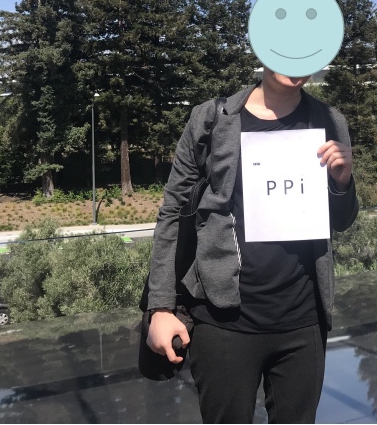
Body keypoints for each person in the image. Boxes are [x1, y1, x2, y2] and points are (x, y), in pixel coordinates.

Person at [146, 68, 358, 423]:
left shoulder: (329, 120)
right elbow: (172, 212)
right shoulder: (211, 118)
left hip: (303, 322)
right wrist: (161, 307)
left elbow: (342, 219)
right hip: (223, 322)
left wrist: (342, 182)